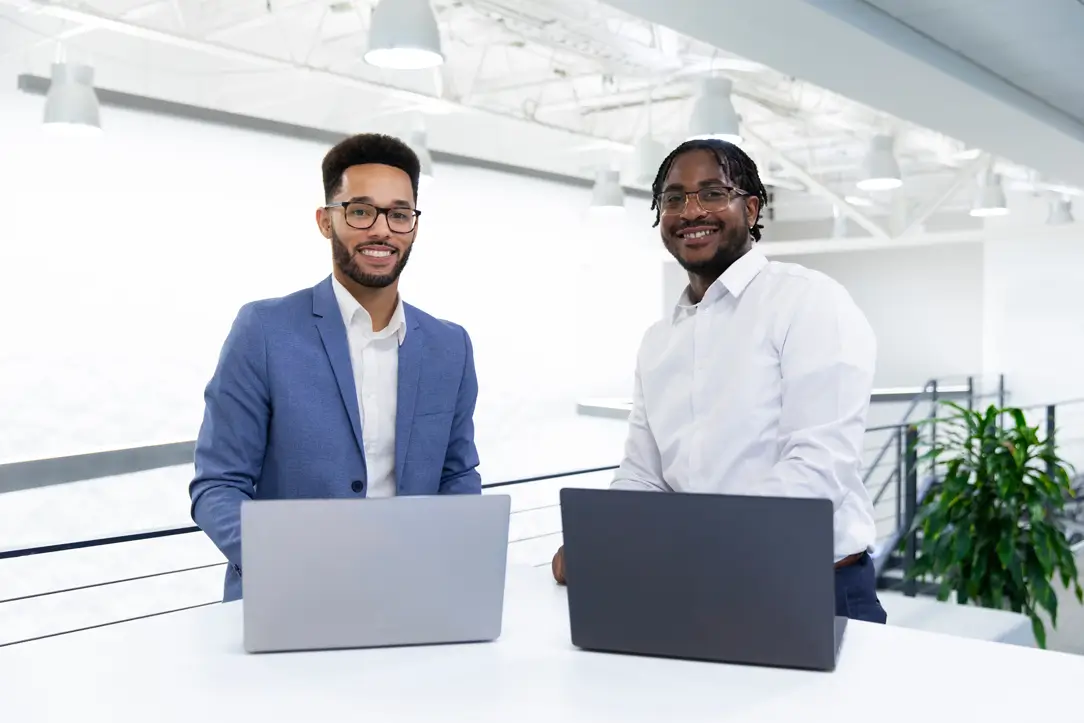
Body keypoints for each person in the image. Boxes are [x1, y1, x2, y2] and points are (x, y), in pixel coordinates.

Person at [551, 138, 887, 624]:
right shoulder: (658, 341)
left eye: (712, 193)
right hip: (698, 588)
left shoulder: (809, 303)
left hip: (812, 590)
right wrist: (603, 542)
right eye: (673, 198)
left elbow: (816, 471)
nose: (691, 211)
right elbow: (645, 475)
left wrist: (682, 548)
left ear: (750, 209)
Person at [190, 133, 482, 602]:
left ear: (413, 225)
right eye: (360, 211)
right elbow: (218, 486)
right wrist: (289, 568)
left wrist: (450, 558)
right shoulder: (264, 330)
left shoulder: (451, 346)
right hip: (288, 598)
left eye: (399, 214)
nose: (382, 230)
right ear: (326, 221)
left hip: (412, 595)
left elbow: (457, 474)